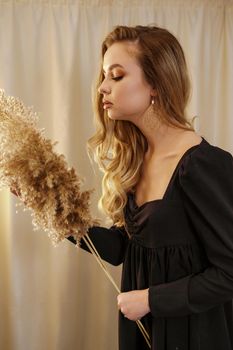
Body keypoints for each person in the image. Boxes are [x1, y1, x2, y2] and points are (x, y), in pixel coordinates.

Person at [68, 25, 233, 350]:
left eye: (116, 76)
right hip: (145, 333)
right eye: (104, 76)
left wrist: (151, 299)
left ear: (156, 83)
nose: (102, 87)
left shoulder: (203, 165)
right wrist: (53, 208)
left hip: (194, 335)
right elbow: (124, 250)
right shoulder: (137, 159)